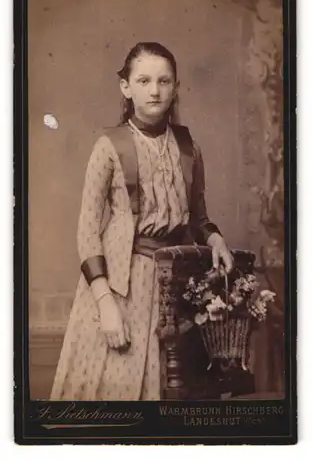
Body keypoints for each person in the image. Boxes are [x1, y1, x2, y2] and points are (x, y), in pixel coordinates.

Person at [50, 42, 233, 401]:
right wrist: (105, 303)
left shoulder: (188, 147)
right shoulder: (108, 146)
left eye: (164, 81)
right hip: (122, 284)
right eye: (144, 80)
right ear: (126, 87)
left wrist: (216, 241)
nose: (155, 90)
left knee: (178, 398)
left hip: (177, 285)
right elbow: (87, 231)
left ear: (176, 87)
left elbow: (199, 219)